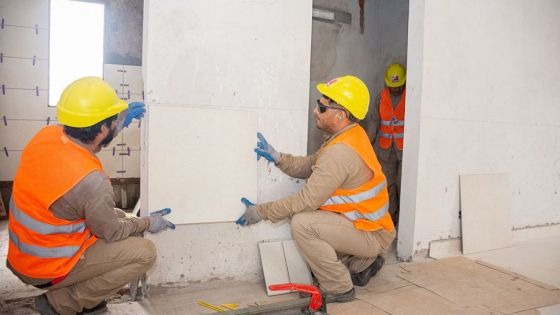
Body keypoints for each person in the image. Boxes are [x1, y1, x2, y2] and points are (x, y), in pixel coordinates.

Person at [6, 77, 175, 315]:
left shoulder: (46, 136)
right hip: (47, 268)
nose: (118, 124)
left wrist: (116, 121)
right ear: (103, 129)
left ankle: (84, 291)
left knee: (117, 214)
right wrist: (148, 222)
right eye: (114, 121)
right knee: (144, 252)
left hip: (24, 254)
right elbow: (111, 232)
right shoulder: (90, 179)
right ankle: (62, 302)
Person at [236, 76, 395, 303]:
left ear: (340, 115)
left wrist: (260, 211)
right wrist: (278, 157)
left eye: (322, 107)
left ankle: (339, 287)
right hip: (369, 227)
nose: (315, 110)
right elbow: (312, 165)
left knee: (303, 224)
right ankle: (363, 263)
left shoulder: (341, 152)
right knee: (317, 232)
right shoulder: (349, 135)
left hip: (371, 234)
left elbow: (305, 201)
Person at [369, 63, 406, 226]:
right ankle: (391, 219)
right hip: (385, 150)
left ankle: (406, 222)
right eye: (392, 86)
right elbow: (374, 121)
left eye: (398, 86)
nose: (395, 89)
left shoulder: (411, 97)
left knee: (403, 184)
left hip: (405, 150)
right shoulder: (381, 97)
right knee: (388, 185)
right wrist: (368, 142)